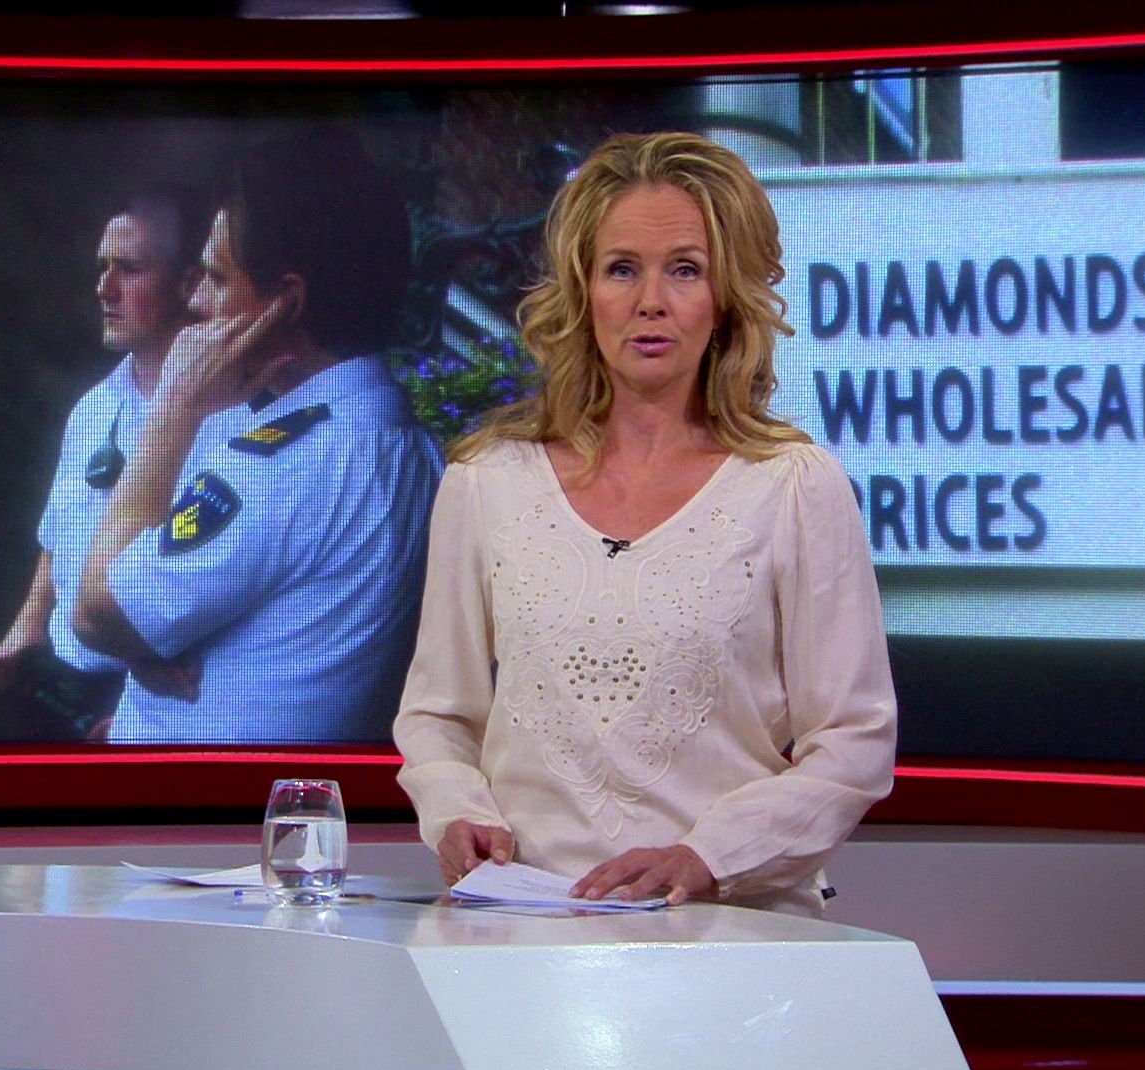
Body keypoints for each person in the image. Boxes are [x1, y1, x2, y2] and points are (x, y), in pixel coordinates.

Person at [392, 132, 896, 917]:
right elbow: (438, 714)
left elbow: (854, 741)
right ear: (583, 290)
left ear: (725, 298)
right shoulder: (486, 481)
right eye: (622, 269)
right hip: (526, 925)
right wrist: (457, 811)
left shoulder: (795, 487)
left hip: (724, 927)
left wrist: (708, 857)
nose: (650, 301)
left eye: (684, 270)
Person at [68, 127, 443, 743]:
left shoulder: (279, 466)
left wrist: (171, 411)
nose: (196, 302)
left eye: (217, 279)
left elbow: (96, 611)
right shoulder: (409, 445)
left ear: (285, 302)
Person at [0, 187, 212, 729]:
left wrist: (137, 704)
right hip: (61, 678)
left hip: (146, 698)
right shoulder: (94, 407)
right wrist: (29, 619)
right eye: (103, 266)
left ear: (188, 284)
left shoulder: (225, 421)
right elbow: (60, 532)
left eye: (129, 270)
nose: (104, 287)